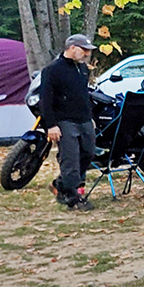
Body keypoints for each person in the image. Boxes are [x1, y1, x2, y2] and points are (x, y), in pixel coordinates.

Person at [41, 34, 96, 211]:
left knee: (88, 153)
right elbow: (45, 100)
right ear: (72, 48)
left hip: (84, 119)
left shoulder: (83, 69)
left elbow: (84, 96)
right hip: (64, 121)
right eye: (84, 49)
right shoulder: (52, 70)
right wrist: (51, 125)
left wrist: (90, 117)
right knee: (70, 159)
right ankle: (73, 199)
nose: (87, 54)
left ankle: (59, 184)